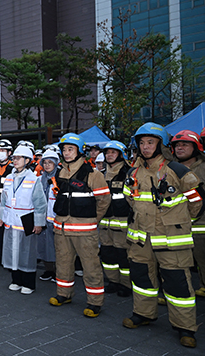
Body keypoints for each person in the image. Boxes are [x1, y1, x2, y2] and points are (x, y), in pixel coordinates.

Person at [122, 124, 204, 348]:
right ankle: (144, 314)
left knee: (178, 284)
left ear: (160, 144)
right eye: (142, 143)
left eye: (150, 142)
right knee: (141, 279)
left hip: (170, 239)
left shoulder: (177, 171)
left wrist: (179, 222)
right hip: (141, 239)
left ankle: (186, 328)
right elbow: (131, 199)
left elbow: (197, 202)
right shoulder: (133, 172)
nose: (145, 147)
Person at [49, 133, 111, 318]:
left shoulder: (93, 174)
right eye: (64, 150)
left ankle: (95, 302)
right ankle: (64, 294)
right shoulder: (59, 172)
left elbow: (104, 200)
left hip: (85, 230)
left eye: (70, 149)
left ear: (80, 151)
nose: (66, 153)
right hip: (61, 229)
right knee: (63, 263)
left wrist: (93, 220)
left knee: (90, 266)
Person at [0, 146, 47, 294]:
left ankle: (28, 283)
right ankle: (16, 280)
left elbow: (40, 203)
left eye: (18, 158)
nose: (15, 160)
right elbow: (3, 200)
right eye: (14, 158)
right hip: (10, 221)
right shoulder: (8, 178)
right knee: (12, 252)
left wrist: (39, 223)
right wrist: (1, 217)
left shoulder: (33, 179)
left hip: (26, 222)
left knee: (27, 253)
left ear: (27, 160)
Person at [171, 130, 205, 299]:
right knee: (176, 263)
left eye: (185, 144)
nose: (180, 148)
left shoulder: (203, 168)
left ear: (196, 147)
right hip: (175, 225)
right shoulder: (169, 168)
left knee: (202, 259)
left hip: (201, 224)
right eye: (177, 145)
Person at [99, 141, 132, 297]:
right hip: (105, 223)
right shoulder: (101, 174)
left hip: (122, 222)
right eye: (107, 153)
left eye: (113, 152)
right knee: (107, 254)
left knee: (123, 255)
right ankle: (113, 281)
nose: (109, 155)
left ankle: (126, 284)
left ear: (121, 154)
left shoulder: (128, 173)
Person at [37, 149, 60, 282]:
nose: (47, 165)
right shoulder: (40, 179)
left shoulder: (61, 178)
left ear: (56, 163)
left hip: (55, 218)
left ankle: (58, 272)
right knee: (43, 246)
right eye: (44, 162)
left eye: (50, 162)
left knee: (57, 247)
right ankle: (48, 270)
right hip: (43, 219)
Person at [0, 139, 14, 268]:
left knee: (9, 235)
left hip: (9, 208)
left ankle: (10, 260)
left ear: (9, 152)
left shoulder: (13, 169)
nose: (0, 153)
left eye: (3, 151)